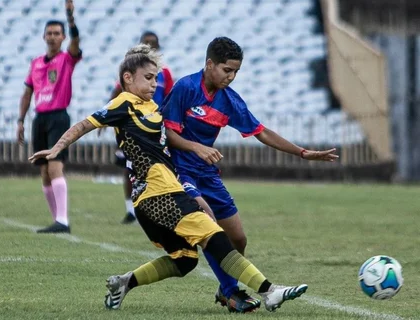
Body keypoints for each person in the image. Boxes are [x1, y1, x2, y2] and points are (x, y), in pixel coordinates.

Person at [29, 44, 309, 313]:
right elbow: (84, 124)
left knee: (185, 260)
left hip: (158, 194)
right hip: (158, 193)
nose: (154, 85)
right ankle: (269, 291)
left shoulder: (152, 107)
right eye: (148, 78)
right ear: (128, 79)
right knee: (214, 235)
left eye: (156, 79)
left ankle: (124, 282)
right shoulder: (124, 103)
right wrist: (57, 147)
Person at [160, 37, 338, 312]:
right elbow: (168, 134)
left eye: (236, 72)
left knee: (238, 239)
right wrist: (196, 147)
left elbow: (262, 132)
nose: (231, 77)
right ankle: (233, 293)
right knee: (210, 230)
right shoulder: (185, 87)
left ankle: (225, 289)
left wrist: (303, 152)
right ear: (209, 64)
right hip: (181, 172)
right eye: (227, 70)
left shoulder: (228, 100)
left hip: (208, 175)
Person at [17, 0, 82, 233]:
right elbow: (27, 93)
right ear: (44, 36)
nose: (53, 36)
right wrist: (20, 121)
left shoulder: (67, 59)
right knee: (44, 171)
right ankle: (57, 220)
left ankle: (62, 221)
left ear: (63, 37)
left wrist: (70, 17)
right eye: (50, 33)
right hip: (40, 119)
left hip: (58, 117)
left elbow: (77, 42)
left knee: (55, 166)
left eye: (57, 33)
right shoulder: (35, 63)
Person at [103, 31, 174, 224]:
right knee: (129, 167)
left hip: (154, 127)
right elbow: (117, 92)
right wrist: (106, 117)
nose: (150, 47)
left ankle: (156, 208)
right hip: (132, 125)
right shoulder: (133, 71)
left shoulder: (165, 74)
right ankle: (130, 211)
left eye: (153, 44)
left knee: (159, 168)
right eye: (146, 43)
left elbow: (170, 99)